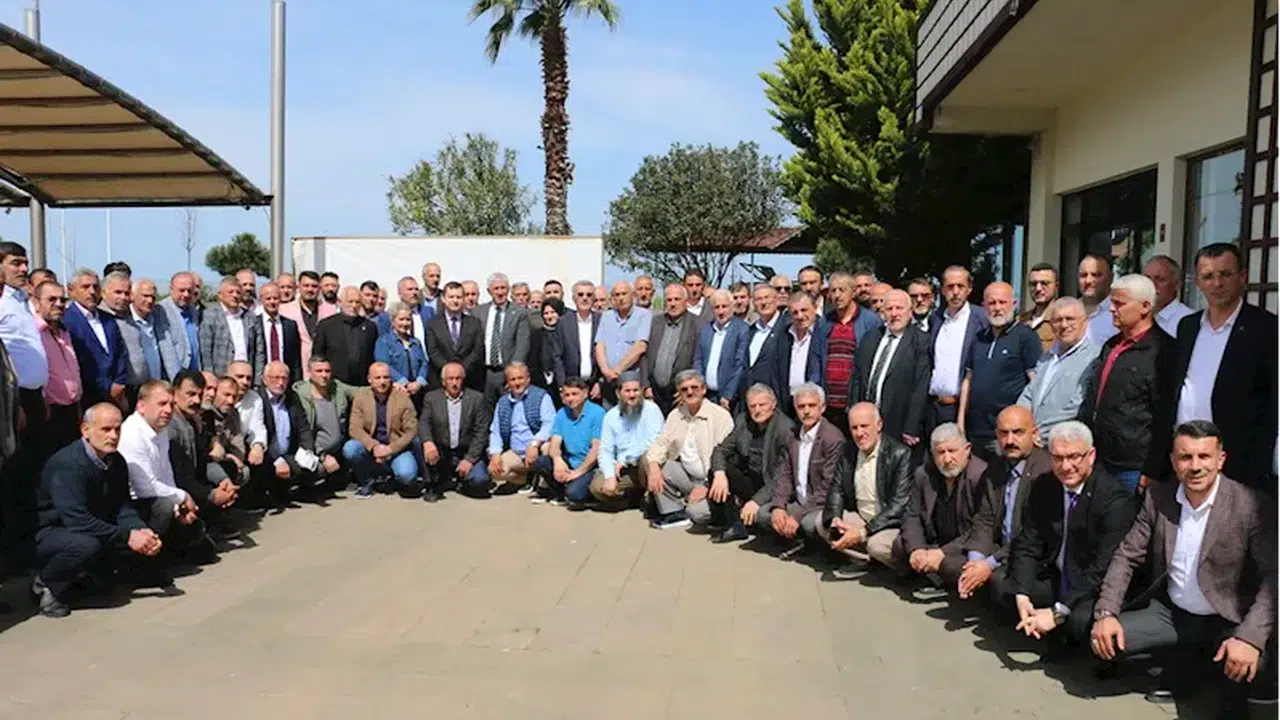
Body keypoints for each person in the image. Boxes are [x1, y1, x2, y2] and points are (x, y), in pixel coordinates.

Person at [1090, 421, 1278, 718]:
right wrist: (1106, 613)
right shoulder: (1158, 497)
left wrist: (1249, 638)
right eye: (1186, 457)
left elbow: (1271, 579)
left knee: (1251, 671)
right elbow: (1127, 555)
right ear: (1173, 461)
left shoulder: (1250, 505)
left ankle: (1206, 673)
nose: (1195, 466)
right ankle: (1182, 663)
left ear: (1221, 459)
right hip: (1172, 615)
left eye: (1204, 456)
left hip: (1228, 617)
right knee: (1101, 640)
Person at [1154, 243, 1279, 492]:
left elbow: (1273, 401)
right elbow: (1172, 392)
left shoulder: (1266, 328)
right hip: (1185, 456)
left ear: (1242, 276)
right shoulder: (1187, 326)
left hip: (1238, 464)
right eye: (1208, 276)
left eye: (1225, 274)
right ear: (1197, 282)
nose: (1217, 283)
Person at [32, 403, 170, 617]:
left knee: (152, 515)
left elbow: (122, 505)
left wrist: (140, 530)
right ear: (85, 430)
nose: (113, 436)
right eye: (106, 429)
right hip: (53, 531)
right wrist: (128, 536)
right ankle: (45, 585)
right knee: (87, 545)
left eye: (117, 429)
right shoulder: (68, 464)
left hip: (93, 523)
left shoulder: (116, 460)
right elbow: (76, 520)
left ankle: (99, 574)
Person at [1007, 421, 1137, 649]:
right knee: (1006, 588)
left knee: (1078, 622)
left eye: (1074, 457)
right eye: (1058, 458)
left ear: (1091, 456)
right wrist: (1023, 594)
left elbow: (1101, 567)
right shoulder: (1045, 485)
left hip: (1091, 585)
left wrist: (1058, 612)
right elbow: (1028, 542)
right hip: (1057, 573)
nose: (1066, 466)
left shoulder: (1114, 500)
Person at [1077, 273, 1173, 492]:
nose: (1112, 309)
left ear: (1145, 307)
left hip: (1133, 466)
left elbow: (1165, 414)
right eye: (1112, 303)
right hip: (1099, 458)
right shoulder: (1111, 345)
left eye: (1119, 304)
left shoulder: (1163, 351)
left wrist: (1153, 468)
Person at [956, 406, 1052, 601]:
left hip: (1030, 555)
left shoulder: (1045, 472)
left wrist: (989, 564)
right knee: (953, 566)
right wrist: (976, 562)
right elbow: (985, 519)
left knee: (1000, 583)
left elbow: (1032, 535)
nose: (1010, 441)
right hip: (999, 547)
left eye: (1018, 433)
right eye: (1004, 433)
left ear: (1034, 433)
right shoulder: (995, 468)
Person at [819, 402, 913, 575]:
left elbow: (898, 505)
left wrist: (863, 532)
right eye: (854, 428)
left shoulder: (899, 454)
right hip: (862, 517)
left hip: (888, 524)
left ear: (879, 425)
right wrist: (835, 519)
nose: (859, 433)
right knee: (822, 522)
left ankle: (906, 572)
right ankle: (865, 560)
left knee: (876, 545)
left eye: (864, 426)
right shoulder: (848, 450)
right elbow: (837, 488)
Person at [897, 423, 989, 594]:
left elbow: (980, 528)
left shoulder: (980, 476)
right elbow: (912, 514)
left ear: (967, 449)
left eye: (952, 451)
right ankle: (930, 572)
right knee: (900, 546)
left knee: (950, 565)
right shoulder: (924, 473)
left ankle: (937, 577)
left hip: (963, 546)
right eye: (940, 453)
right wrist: (916, 549)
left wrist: (942, 552)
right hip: (935, 539)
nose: (947, 459)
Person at [958, 282, 1041, 461]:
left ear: (1014, 304)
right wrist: (960, 424)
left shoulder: (1026, 336)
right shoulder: (979, 338)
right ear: (984, 306)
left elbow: (1036, 383)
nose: (997, 308)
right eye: (992, 303)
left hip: (1007, 434)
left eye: (1002, 302)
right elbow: (967, 380)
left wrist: (1033, 426)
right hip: (976, 430)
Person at [643, 369, 735, 530]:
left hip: (713, 480)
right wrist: (653, 467)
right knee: (654, 461)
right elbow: (661, 443)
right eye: (684, 389)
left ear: (703, 389)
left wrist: (706, 486)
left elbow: (728, 457)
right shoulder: (675, 415)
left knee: (697, 513)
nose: (690, 392)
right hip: (688, 477)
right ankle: (674, 512)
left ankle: (711, 509)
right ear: (679, 394)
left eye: (694, 387)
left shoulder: (720, 416)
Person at [117, 381, 202, 554]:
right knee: (164, 506)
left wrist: (179, 505)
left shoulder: (160, 429)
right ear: (141, 406)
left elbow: (165, 473)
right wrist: (181, 497)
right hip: (131, 505)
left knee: (202, 544)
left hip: (155, 496)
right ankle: (141, 556)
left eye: (171, 404)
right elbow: (144, 487)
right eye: (162, 404)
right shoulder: (132, 434)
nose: (168, 410)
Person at [761, 383, 845, 558]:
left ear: (822, 408)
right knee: (763, 514)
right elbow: (784, 475)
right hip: (798, 500)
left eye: (812, 405)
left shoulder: (833, 438)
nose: (806, 411)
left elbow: (827, 488)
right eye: (801, 406)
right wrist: (779, 506)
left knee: (808, 523)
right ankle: (795, 540)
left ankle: (820, 549)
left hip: (819, 504)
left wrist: (797, 516)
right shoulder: (792, 435)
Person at [705, 383, 794, 543]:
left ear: (773, 404)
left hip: (774, 486)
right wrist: (719, 474)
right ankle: (732, 523)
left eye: (762, 405)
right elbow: (720, 450)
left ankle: (755, 523)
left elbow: (781, 478)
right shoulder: (743, 421)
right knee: (718, 470)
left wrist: (756, 501)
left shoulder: (785, 430)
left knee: (762, 514)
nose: (757, 410)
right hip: (752, 479)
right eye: (753, 406)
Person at [851, 288, 930, 453]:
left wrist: (912, 425)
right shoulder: (870, 337)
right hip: (867, 422)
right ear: (883, 313)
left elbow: (920, 387)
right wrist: (854, 411)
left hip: (899, 422)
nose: (894, 314)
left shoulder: (921, 342)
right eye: (889, 309)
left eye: (899, 308)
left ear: (910, 312)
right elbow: (857, 376)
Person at [165, 371, 235, 548]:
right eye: (190, 394)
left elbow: (203, 461)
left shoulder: (193, 420)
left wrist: (223, 481)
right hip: (173, 492)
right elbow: (179, 477)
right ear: (174, 393)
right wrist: (211, 496)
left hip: (191, 484)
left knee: (228, 468)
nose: (196, 400)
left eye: (199, 394)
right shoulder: (170, 426)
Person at [1017, 297, 1100, 436]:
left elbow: (1076, 406)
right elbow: (1029, 394)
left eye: (1070, 319)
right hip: (1032, 439)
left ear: (1085, 322)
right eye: (1058, 320)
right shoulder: (1046, 357)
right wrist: (1020, 427)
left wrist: (1039, 434)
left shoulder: (1094, 358)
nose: (1064, 325)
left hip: (1064, 441)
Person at [588, 373, 663, 511]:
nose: (632, 395)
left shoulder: (652, 410)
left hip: (644, 466)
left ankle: (654, 498)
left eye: (635, 390)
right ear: (618, 393)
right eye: (627, 391)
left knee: (648, 457)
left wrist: (625, 459)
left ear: (642, 391)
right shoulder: (611, 416)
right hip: (623, 471)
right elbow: (605, 449)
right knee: (598, 488)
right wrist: (610, 476)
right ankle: (633, 501)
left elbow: (653, 440)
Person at [926, 266, 988, 430]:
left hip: (964, 409)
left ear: (969, 289)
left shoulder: (982, 319)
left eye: (960, 286)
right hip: (934, 407)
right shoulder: (936, 318)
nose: (955, 292)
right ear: (942, 290)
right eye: (950, 287)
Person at [344, 362, 419, 498]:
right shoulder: (361, 397)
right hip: (371, 448)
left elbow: (411, 431)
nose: (382, 382)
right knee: (350, 448)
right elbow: (354, 428)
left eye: (386, 377)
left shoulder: (402, 397)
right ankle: (367, 481)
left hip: (396, 449)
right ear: (369, 379)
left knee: (407, 475)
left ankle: (390, 477)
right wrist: (374, 446)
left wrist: (390, 449)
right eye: (377, 378)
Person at [418, 361, 491, 500]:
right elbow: (424, 423)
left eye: (458, 378)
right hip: (441, 451)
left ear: (463, 380)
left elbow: (481, 432)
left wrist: (469, 459)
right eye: (450, 379)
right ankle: (432, 485)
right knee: (418, 442)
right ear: (443, 381)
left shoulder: (477, 399)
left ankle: (461, 484)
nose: (454, 383)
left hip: (465, 451)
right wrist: (428, 442)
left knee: (480, 481)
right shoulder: (431, 398)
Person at [821, 272, 883, 432]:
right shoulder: (825, 322)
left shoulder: (871, 321)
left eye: (842, 290)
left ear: (853, 292)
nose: (837, 295)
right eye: (833, 291)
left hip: (854, 400)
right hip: (828, 402)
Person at [253, 361, 314, 511]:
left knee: (314, 468)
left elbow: (303, 427)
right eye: (276, 378)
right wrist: (277, 460)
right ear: (265, 379)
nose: (280, 383)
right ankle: (261, 496)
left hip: (288, 453)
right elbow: (260, 433)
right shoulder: (257, 399)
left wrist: (308, 452)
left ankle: (284, 493)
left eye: (284, 378)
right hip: (266, 455)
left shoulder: (292, 398)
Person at [486, 362, 555, 493]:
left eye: (520, 378)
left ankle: (544, 483)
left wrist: (534, 444)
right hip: (517, 452)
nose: (517, 383)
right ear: (507, 383)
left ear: (528, 379)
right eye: (513, 379)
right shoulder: (503, 402)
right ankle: (526, 479)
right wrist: (495, 454)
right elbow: (496, 431)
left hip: (538, 448)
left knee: (549, 448)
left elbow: (550, 424)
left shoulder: (541, 396)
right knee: (494, 470)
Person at [63, 269, 128, 408]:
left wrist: (119, 382)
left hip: (116, 394)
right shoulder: (66, 321)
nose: (92, 291)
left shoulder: (108, 319)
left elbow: (121, 353)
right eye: (85, 287)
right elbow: (78, 361)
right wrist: (107, 386)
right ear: (71, 290)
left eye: (95, 287)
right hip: (87, 396)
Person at [539, 377, 606, 506]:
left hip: (591, 466)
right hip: (570, 460)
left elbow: (596, 449)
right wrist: (558, 460)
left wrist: (578, 472)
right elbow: (555, 443)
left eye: (574, 394)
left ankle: (578, 492)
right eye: (567, 395)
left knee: (575, 494)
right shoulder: (562, 413)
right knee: (542, 462)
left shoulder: (598, 413)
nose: (570, 399)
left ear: (585, 393)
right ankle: (560, 493)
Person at [33, 280, 83, 454]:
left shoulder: (65, 331)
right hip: (48, 412)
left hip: (72, 410)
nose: (59, 304)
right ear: (36, 302)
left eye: (63, 300)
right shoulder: (33, 332)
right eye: (52, 299)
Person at [291, 355, 354, 493]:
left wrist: (392, 385)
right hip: (312, 451)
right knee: (316, 471)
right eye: (319, 371)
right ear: (309, 372)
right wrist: (323, 456)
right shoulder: (299, 396)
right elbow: (303, 434)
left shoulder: (337, 387)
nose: (324, 375)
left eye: (327, 371)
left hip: (338, 451)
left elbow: (360, 392)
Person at [640, 283, 700, 416]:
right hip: (654, 393)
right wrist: (646, 385)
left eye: (677, 299)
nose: (673, 304)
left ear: (685, 301)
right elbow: (644, 355)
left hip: (681, 394)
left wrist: (687, 388)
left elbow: (699, 359)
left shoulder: (697, 324)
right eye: (669, 300)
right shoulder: (655, 322)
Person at [594, 281, 651, 408]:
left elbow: (640, 347)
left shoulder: (643, 315)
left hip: (631, 379)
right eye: (617, 295)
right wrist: (606, 370)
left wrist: (617, 370)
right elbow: (599, 345)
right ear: (612, 298)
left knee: (631, 414)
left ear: (632, 295)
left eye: (624, 294)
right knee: (610, 415)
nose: (621, 298)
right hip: (608, 381)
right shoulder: (606, 316)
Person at [476, 272, 531, 404]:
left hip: (507, 371)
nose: (500, 292)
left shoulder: (519, 313)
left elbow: (522, 346)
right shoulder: (478, 312)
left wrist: (513, 374)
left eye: (503, 288)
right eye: (496, 288)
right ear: (489, 291)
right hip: (485, 373)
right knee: (485, 409)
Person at [312, 286, 379, 387]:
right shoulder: (326, 325)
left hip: (361, 384)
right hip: (334, 384)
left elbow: (372, 356)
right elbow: (318, 355)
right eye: (350, 301)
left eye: (357, 302)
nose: (354, 305)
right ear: (341, 301)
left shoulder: (370, 327)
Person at [426, 281, 485, 391]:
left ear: (463, 299)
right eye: (451, 297)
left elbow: (477, 350)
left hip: (469, 380)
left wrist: (461, 370)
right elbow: (433, 351)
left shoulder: (474, 323)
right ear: (443, 299)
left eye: (458, 297)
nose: (455, 300)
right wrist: (449, 371)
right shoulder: (432, 324)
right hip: (440, 381)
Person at [279, 270, 338, 379]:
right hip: (296, 369)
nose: (310, 289)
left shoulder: (331, 310)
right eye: (306, 286)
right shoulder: (284, 310)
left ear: (319, 288)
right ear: (299, 287)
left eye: (314, 286)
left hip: (323, 372)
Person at [696, 289, 748, 409]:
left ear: (732, 307)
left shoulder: (742, 330)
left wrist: (728, 394)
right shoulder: (706, 330)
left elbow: (740, 365)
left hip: (729, 397)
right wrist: (699, 387)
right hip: (707, 395)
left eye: (724, 306)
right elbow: (698, 360)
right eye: (717, 307)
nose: (721, 311)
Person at [775, 291, 824, 416]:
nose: (800, 316)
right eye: (795, 312)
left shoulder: (824, 332)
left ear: (815, 308)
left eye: (804, 310)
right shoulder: (785, 335)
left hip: (812, 402)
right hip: (789, 402)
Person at [740, 283, 789, 407]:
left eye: (767, 297)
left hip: (776, 401)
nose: (763, 302)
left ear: (776, 300)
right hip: (751, 399)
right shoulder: (750, 331)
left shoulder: (787, 328)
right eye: (759, 299)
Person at [199, 277, 258, 377]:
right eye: (230, 292)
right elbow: (205, 350)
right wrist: (209, 374)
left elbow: (257, 351)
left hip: (245, 375)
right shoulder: (210, 315)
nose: (235, 295)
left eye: (238, 292)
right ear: (220, 295)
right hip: (220, 374)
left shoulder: (250, 317)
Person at [550, 280, 601, 396]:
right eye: (580, 294)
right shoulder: (563, 323)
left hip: (595, 387)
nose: (585, 298)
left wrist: (601, 382)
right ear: (574, 298)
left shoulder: (602, 321)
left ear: (594, 298)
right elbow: (557, 356)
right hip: (570, 387)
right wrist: (563, 385)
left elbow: (607, 354)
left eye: (589, 295)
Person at [374, 303, 428, 404]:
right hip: (395, 391)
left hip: (417, 392)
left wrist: (419, 382)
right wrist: (404, 383)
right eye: (401, 319)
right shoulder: (384, 341)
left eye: (408, 320)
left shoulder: (416, 342)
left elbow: (424, 363)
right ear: (393, 321)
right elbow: (385, 365)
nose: (405, 323)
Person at [254, 281, 303, 383]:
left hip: (284, 379)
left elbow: (296, 358)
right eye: (268, 298)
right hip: (261, 379)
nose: (272, 302)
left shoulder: (290, 325)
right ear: (261, 300)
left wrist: (297, 381)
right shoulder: (254, 324)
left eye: (275, 298)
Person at [157, 271, 201, 372]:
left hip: (195, 372)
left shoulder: (193, 310)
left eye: (189, 291)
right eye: (181, 290)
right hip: (176, 374)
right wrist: (177, 378)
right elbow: (166, 349)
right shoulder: (161, 310)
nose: (186, 294)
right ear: (171, 289)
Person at [1143, 255, 1194, 337]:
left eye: (1159, 279)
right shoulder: (1133, 316)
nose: (1151, 284)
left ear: (1177, 284)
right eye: (1147, 279)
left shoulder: (1189, 321)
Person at [1079, 254, 1117, 346]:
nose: (1088, 281)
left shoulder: (1118, 313)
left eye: (1096, 275)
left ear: (1110, 278)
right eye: (1083, 275)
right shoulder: (1068, 310)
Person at [1019, 263, 1059, 351]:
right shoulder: (1020, 321)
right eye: (1033, 284)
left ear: (1056, 286)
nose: (1038, 288)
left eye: (1044, 283)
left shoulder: (1061, 320)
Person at [529, 298, 564, 398]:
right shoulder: (536, 334)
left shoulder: (566, 332)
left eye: (553, 312)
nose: (549, 316)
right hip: (542, 383)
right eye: (546, 313)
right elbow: (533, 361)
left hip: (563, 383)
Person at [393, 275, 434, 345]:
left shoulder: (429, 312)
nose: (414, 292)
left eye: (416, 289)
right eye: (410, 289)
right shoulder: (389, 315)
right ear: (400, 294)